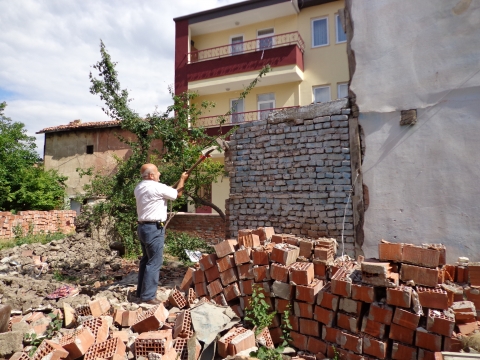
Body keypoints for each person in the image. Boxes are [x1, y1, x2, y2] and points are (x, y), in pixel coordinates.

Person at [134, 163, 189, 304]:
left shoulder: (139, 187)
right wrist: (183, 179)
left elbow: (163, 192)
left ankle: (140, 293)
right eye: (158, 172)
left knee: (145, 260)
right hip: (154, 228)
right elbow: (178, 194)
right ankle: (148, 297)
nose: (160, 174)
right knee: (154, 263)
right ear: (151, 175)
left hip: (142, 228)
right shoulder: (158, 187)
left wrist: (169, 188)